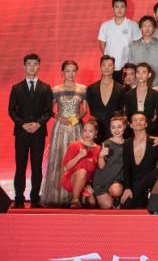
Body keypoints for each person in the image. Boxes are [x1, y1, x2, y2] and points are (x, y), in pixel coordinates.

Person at [40, 60, 87, 207]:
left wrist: (74, 120)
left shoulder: (82, 89)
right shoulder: (56, 89)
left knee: (76, 159)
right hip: (60, 128)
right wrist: (60, 118)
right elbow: (48, 110)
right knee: (59, 158)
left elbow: (84, 110)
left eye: (73, 71)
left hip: (76, 127)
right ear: (62, 72)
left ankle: (74, 196)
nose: (71, 74)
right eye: (68, 71)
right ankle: (57, 195)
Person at [9, 54, 53, 208]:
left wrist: (38, 124)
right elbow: (11, 111)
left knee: (36, 166)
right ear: (24, 66)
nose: (32, 67)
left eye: (35, 64)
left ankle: (35, 199)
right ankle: (19, 199)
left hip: (38, 133)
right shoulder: (16, 88)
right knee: (20, 166)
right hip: (21, 133)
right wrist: (23, 124)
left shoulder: (45, 87)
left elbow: (48, 111)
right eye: (29, 64)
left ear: (39, 66)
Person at [121, 112, 158, 209]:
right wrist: (127, 188)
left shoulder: (154, 141)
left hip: (151, 182)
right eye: (135, 120)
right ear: (131, 125)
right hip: (135, 184)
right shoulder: (127, 143)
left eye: (141, 120)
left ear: (146, 124)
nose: (138, 122)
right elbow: (126, 168)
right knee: (127, 206)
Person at [97, 0, 141, 81]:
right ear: (113, 8)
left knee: (126, 88)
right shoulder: (105, 25)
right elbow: (102, 43)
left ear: (126, 8)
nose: (119, 9)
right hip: (109, 67)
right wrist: (108, 57)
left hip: (127, 67)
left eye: (122, 6)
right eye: (117, 7)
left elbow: (137, 44)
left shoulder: (133, 25)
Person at [60, 119, 101, 209]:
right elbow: (66, 167)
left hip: (87, 181)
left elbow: (97, 170)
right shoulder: (75, 145)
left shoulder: (98, 149)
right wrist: (79, 156)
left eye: (90, 131)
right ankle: (75, 200)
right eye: (85, 131)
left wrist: (90, 186)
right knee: (82, 171)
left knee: (92, 204)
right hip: (71, 179)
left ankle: (83, 193)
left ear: (96, 133)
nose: (87, 134)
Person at [86, 55, 126, 143]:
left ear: (114, 67)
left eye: (109, 65)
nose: (106, 68)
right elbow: (91, 109)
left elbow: (121, 109)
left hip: (114, 131)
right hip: (96, 130)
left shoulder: (121, 89)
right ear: (100, 67)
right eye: (104, 65)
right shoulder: (91, 88)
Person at [91, 116, 127, 209]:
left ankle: (115, 198)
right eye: (113, 127)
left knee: (116, 191)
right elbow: (101, 166)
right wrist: (101, 156)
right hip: (102, 180)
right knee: (107, 206)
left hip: (117, 180)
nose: (116, 130)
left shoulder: (128, 144)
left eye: (119, 127)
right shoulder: (106, 144)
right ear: (110, 129)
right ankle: (91, 196)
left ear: (124, 127)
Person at [126, 16, 158, 81]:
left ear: (154, 28)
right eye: (144, 26)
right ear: (140, 28)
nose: (147, 28)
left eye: (150, 26)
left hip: (155, 83)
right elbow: (131, 67)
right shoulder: (133, 46)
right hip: (138, 83)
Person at [123, 63, 158, 136]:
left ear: (149, 75)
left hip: (150, 131)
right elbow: (127, 114)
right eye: (138, 72)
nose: (140, 75)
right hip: (132, 132)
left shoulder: (155, 94)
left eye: (144, 72)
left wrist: (151, 127)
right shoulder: (128, 94)